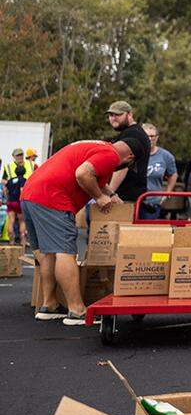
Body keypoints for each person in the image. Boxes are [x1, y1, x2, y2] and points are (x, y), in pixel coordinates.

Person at [21, 135, 148, 325]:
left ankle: (49, 305)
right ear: (129, 157)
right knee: (65, 252)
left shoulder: (98, 146)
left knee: (49, 252)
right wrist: (99, 197)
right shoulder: (111, 155)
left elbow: (93, 175)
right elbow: (82, 174)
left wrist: (110, 194)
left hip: (31, 194)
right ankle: (77, 310)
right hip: (53, 198)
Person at [105, 101, 151, 204]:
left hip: (124, 199)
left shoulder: (132, 134)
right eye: (111, 115)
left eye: (118, 114)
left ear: (129, 114)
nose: (113, 118)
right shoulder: (130, 132)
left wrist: (109, 194)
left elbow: (122, 167)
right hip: (125, 197)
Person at [140, 123, 177, 220]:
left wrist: (168, 192)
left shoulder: (166, 156)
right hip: (133, 201)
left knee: (148, 232)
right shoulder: (135, 153)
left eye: (152, 136)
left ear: (157, 137)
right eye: (146, 136)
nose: (149, 139)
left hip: (153, 202)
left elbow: (173, 174)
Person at [3, 147, 36, 246]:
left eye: (21, 154)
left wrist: (7, 197)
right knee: (22, 221)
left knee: (11, 221)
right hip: (20, 201)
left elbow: (5, 188)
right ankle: (23, 242)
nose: (20, 157)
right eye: (18, 155)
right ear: (13, 157)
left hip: (11, 201)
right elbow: (22, 189)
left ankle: (11, 242)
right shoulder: (9, 167)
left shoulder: (31, 165)